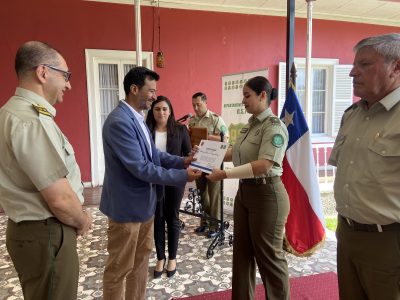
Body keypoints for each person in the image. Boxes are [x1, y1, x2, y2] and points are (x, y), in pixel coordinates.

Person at [0, 41, 93, 300]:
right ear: (43, 73)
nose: (69, 84)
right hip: (47, 232)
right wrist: (83, 220)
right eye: (65, 76)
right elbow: (60, 200)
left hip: (27, 229)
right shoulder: (31, 120)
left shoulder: (8, 113)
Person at [100, 67, 201, 300]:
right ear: (134, 89)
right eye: (151, 91)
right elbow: (140, 167)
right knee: (118, 270)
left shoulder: (137, 118)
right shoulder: (119, 122)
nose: (155, 96)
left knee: (139, 264)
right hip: (127, 211)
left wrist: (183, 161)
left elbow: (153, 155)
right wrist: (184, 176)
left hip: (145, 206)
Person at [328, 33, 400, 300]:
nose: (351, 72)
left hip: (388, 241)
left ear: (396, 66)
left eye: (365, 65)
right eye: (354, 64)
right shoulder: (352, 115)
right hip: (347, 234)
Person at [207, 76, 290, 300]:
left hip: (267, 196)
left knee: (269, 258)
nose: (243, 101)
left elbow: (264, 165)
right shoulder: (250, 125)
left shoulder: (274, 127)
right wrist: (204, 158)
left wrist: (224, 174)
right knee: (242, 254)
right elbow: (234, 152)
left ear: (263, 95)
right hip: (245, 194)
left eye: (247, 95)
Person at [146, 95, 192, 278]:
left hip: (174, 180)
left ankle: (172, 257)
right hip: (153, 179)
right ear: (152, 111)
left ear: (170, 111)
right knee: (157, 217)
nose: (161, 112)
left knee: (172, 217)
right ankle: (160, 257)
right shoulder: (146, 130)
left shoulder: (181, 129)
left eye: (165, 109)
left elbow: (187, 154)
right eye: (157, 109)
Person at [188, 92, 229, 238]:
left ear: (206, 103)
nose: (196, 107)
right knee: (202, 193)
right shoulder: (192, 121)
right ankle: (204, 222)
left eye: (198, 104)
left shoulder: (216, 120)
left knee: (214, 195)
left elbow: (225, 140)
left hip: (213, 162)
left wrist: (207, 137)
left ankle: (215, 225)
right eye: (193, 105)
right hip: (199, 162)